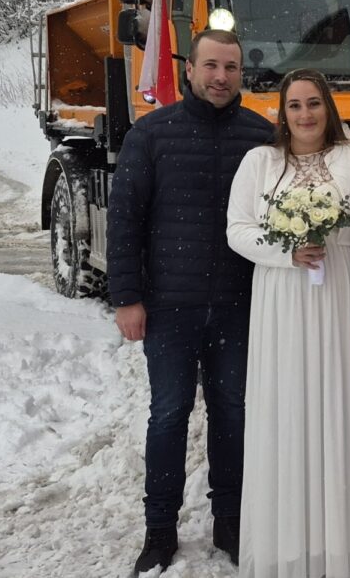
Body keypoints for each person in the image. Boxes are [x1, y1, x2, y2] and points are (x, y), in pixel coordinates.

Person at [106, 29, 274, 574]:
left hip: (237, 305)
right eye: (211, 66)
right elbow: (125, 219)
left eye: (230, 67)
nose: (220, 77)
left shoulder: (263, 136)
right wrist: (128, 297)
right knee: (168, 415)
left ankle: (231, 520)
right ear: (190, 70)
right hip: (170, 308)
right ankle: (159, 531)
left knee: (232, 414)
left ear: (241, 74)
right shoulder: (151, 134)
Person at [225, 68, 350, 578]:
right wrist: (285, 248)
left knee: (340, 407)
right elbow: (237, 230)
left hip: (339, 293)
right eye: (295, 105)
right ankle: (285, 550)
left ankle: (344, 553)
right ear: (282, 112)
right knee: (285, 410)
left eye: (314, 103)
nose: (306, 114)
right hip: (283, 297)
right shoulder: (260, 162)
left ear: (328, 107)